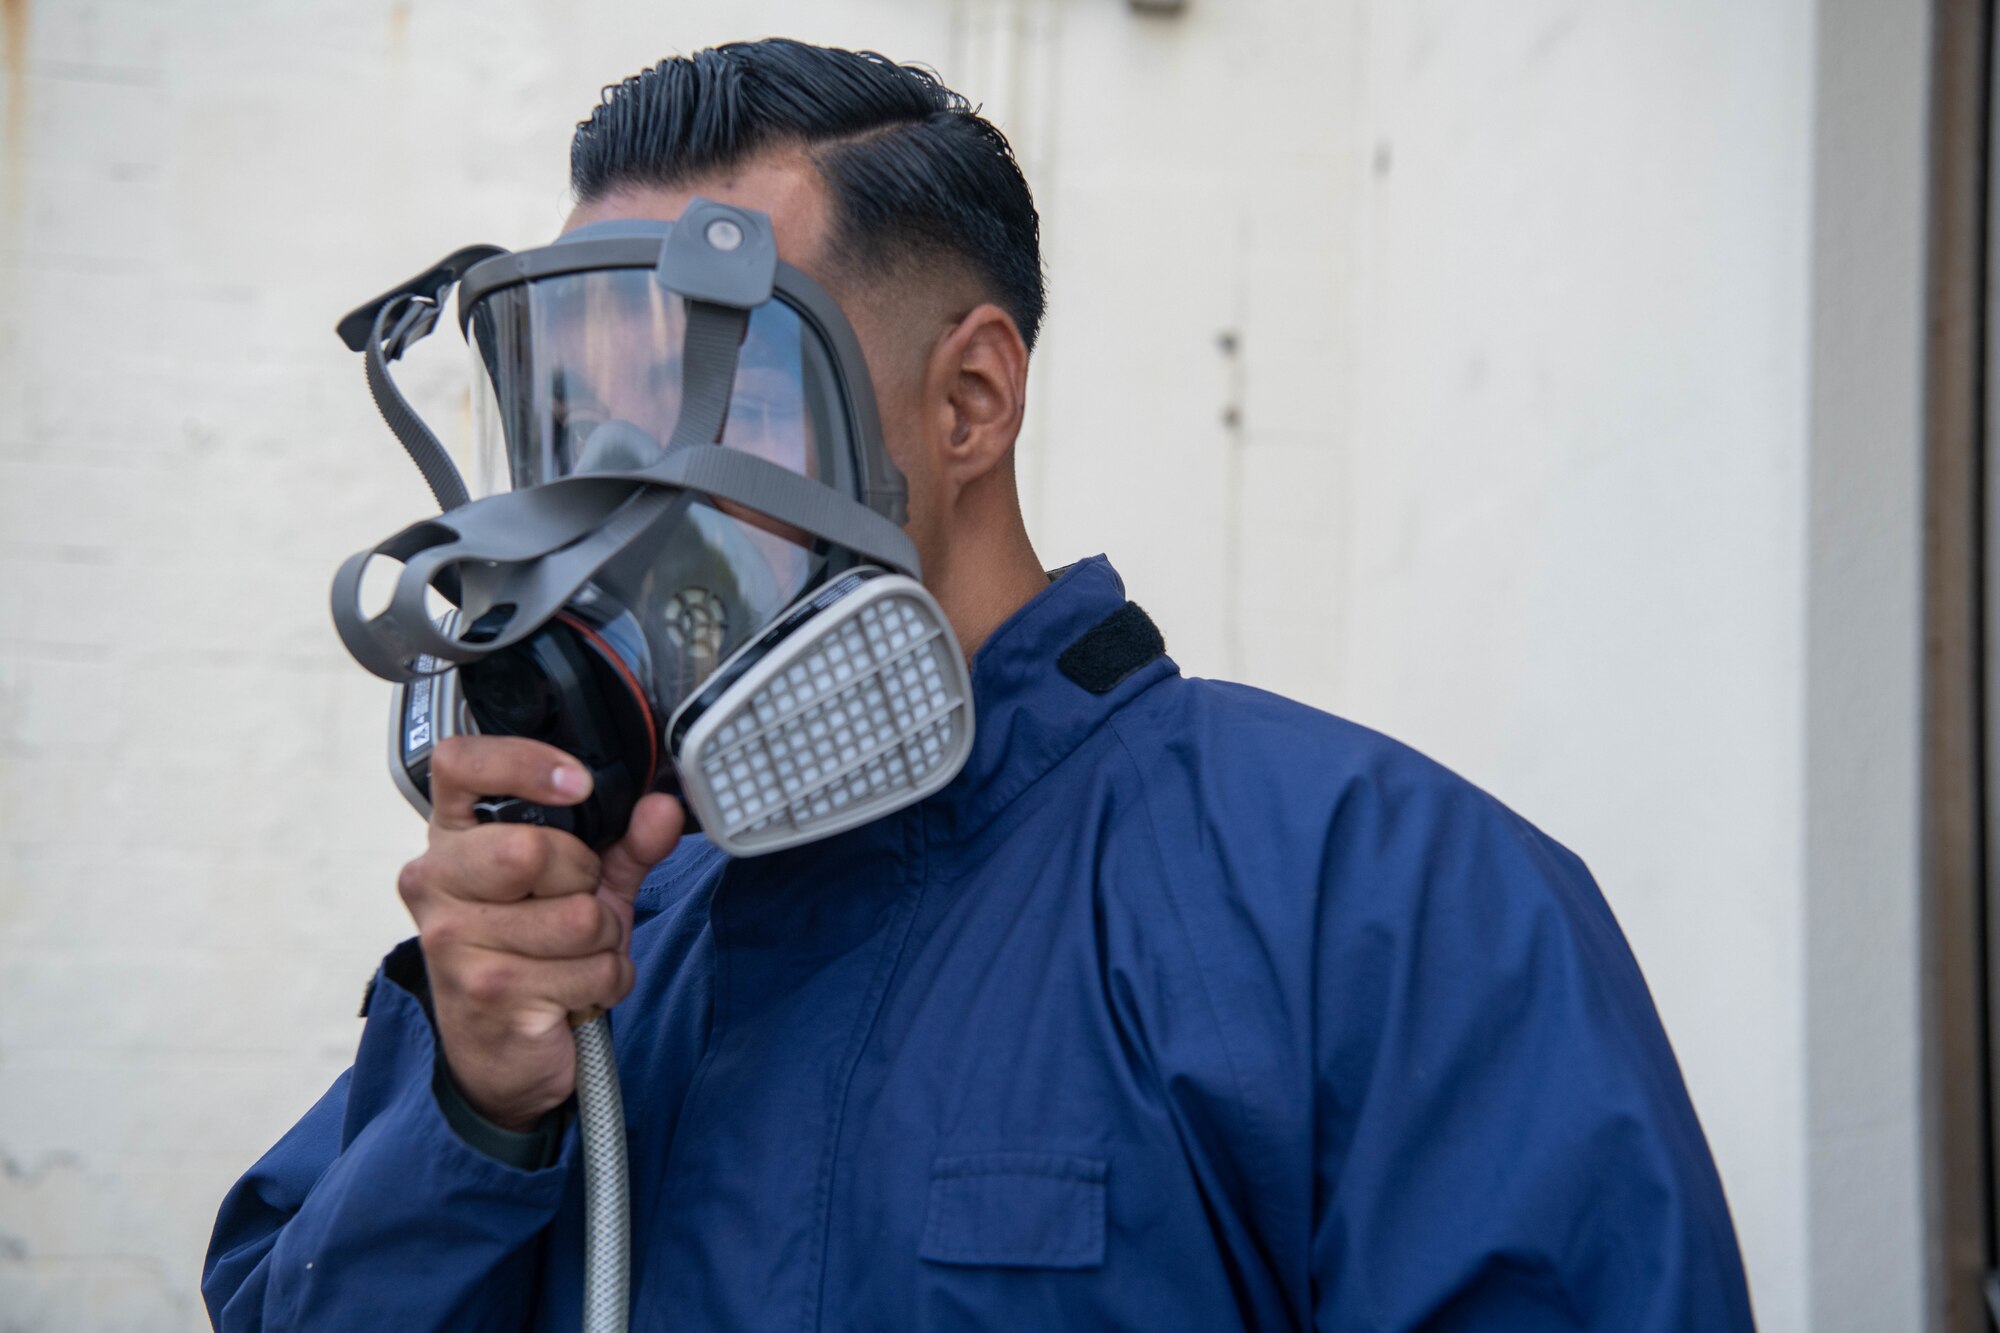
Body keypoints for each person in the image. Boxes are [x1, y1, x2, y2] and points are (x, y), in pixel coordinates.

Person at [203, 39, 1756, 1331]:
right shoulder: (581, 962)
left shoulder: (1381, 898)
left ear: (969, 399)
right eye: (583, 429)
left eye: (708, 394)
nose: (616, 509)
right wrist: (478, 1120)